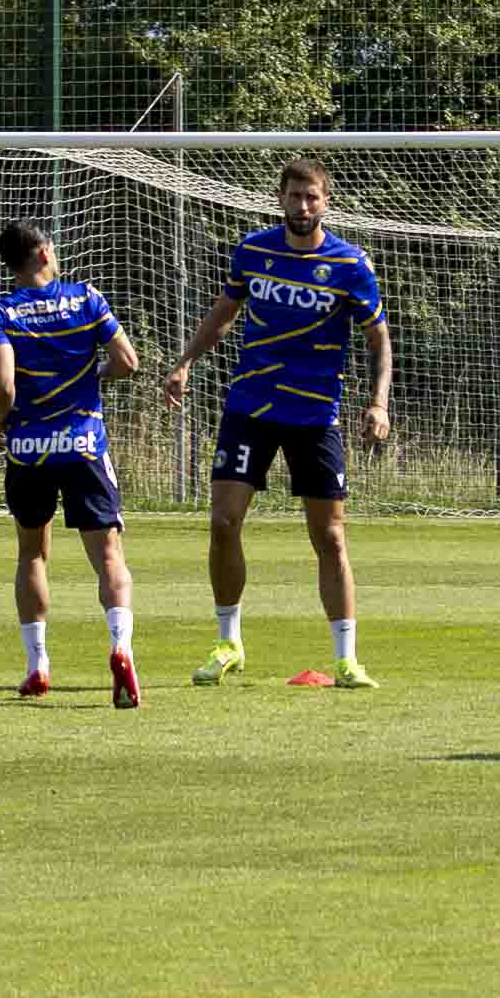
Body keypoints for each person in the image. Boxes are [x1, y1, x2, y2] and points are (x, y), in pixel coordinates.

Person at [162, 157, 393, 688]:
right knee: (223, 522)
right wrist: (184, 363)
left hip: (314, 415)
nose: (302, 205)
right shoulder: (253, 252)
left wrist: (378, 402)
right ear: (281, 198)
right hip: (251, 408)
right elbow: (222, 316)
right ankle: (228, 643)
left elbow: (379, 338)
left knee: (329, 536)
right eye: (294, 195)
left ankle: (346, 659)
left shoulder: (350, 265)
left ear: (325, 202)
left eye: (312, 197)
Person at [0, 222, 144, 705]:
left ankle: (37, 666)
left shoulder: (2, 314)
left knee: (32, 554)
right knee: (108, 555)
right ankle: (120, 646)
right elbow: (128, 361)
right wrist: (95, 374)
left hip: (29, 449)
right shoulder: (86, 299)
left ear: (10, 263)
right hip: (83, 445)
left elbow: (4, 386)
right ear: (46, 252)